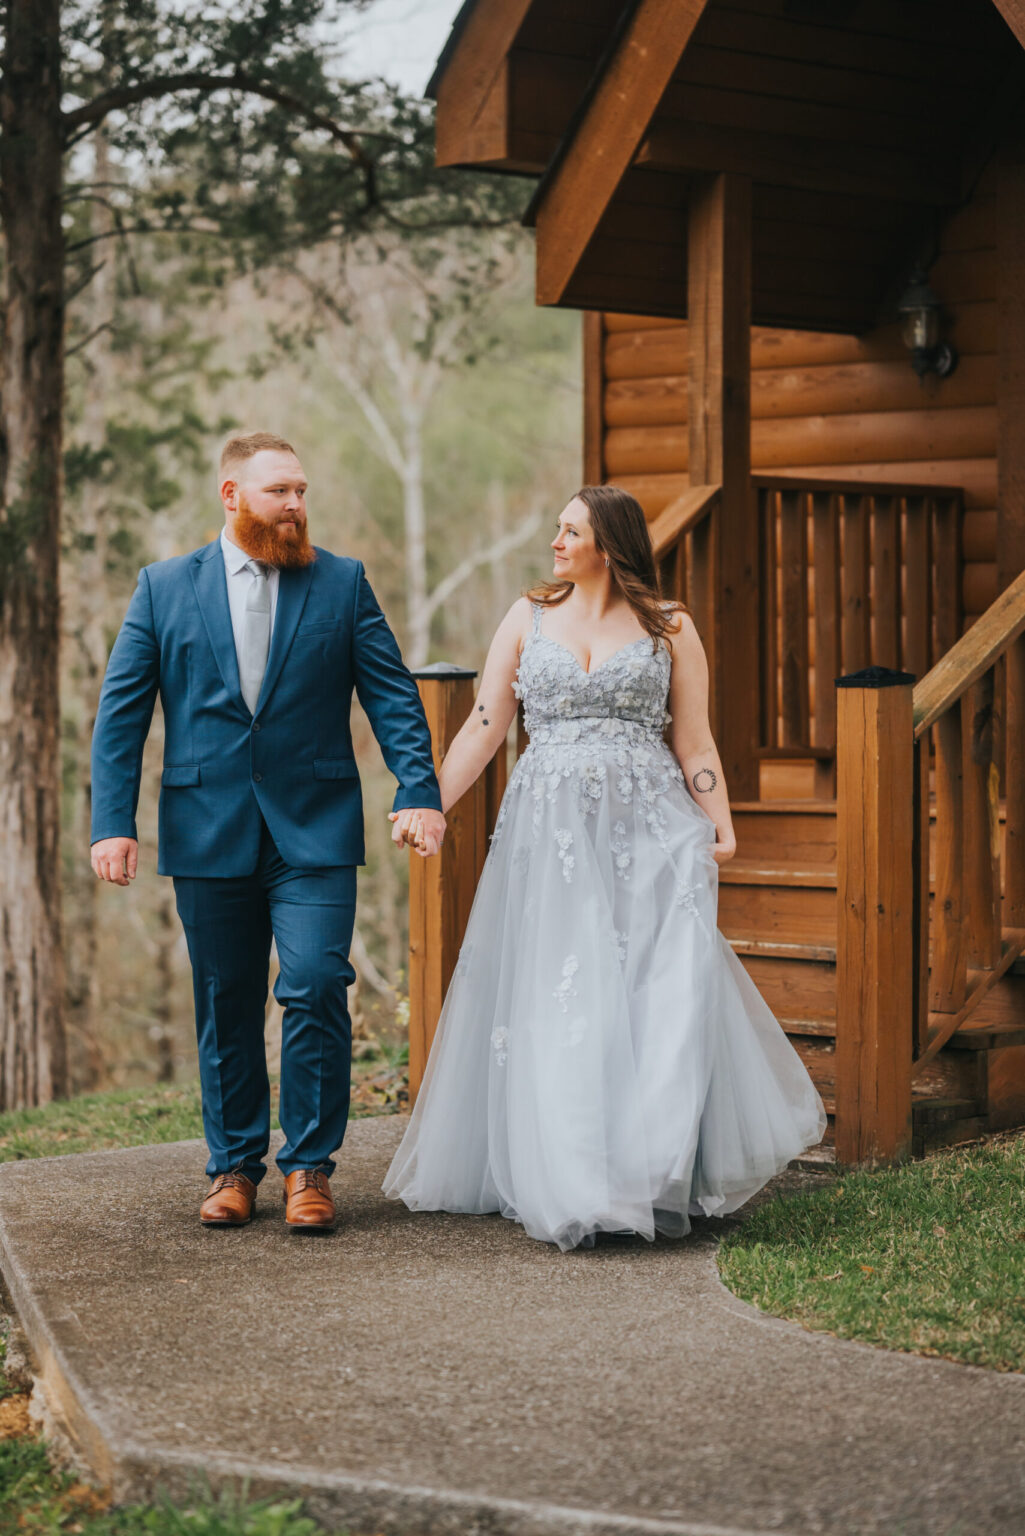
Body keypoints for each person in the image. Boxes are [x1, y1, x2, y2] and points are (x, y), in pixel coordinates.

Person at [383, 483, 827, 1251]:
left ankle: (643, 1171)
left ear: (609, 545)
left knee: (653, 990)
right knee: (563, 989)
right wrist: (429, 801)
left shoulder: (670, 628)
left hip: (649, 829)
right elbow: (486, 723)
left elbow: (694, 741)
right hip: (547, 831)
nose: (554, 542)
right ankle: (571, 1174)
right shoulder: (527, 616)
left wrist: (718, 822)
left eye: (569, 531)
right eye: (556, 529)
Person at [90, 432, 445, 1232]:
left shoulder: (342, 584)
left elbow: (390, 696)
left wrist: (417, 789)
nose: (295, 506)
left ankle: (310, 1169)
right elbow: (121, 717)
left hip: (314, 829)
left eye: (301, 491)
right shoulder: (162, 588)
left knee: (316, 983)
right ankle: (232, 1166)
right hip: (205, 827)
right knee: (225, 1001)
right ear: (231, 495)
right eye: (278, 491)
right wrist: (113, 823)